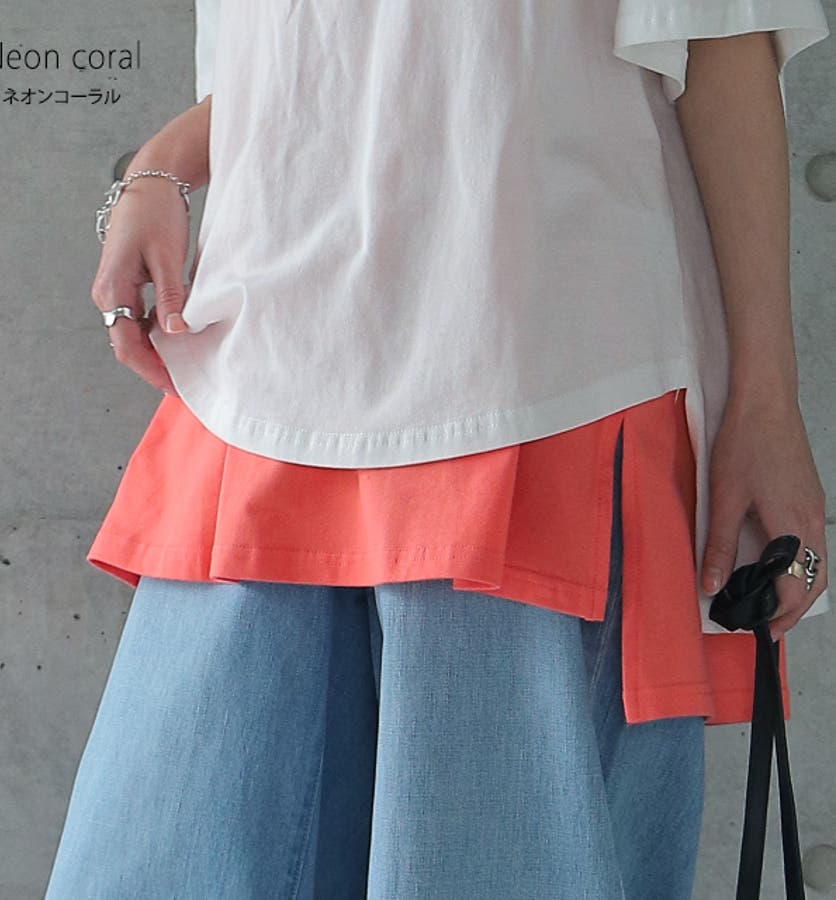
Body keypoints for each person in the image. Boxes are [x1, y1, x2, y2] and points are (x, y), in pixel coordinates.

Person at [45, 2, 830, 897]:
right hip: (262, 370)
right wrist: (160, 167)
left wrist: (767, 402)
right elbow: (329, 52)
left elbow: (722, 35)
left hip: (540, 383)